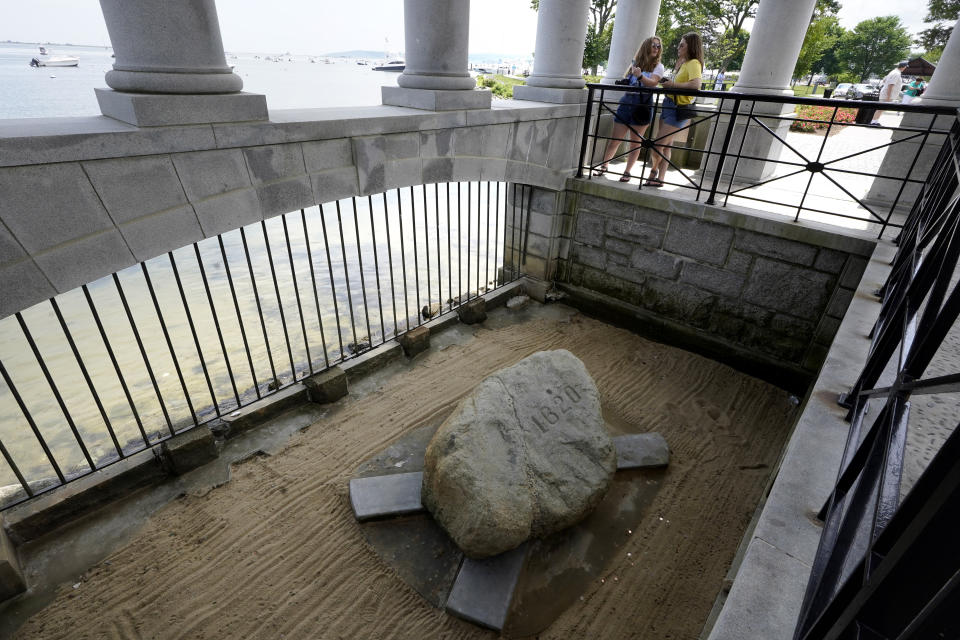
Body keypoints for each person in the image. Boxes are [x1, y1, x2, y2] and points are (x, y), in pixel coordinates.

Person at [593, 36, 666, 182]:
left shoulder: (659, 66)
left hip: (642, 106)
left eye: (658, 46)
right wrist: (626, 80)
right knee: (615, 140)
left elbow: (652, 83)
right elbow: (627, 80)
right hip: (626, 103)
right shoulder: (636, 63)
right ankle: (604, 166)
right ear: (646, 46)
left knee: (635, 143)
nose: (656, 49)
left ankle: (627, 172)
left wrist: (639, 77)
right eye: (653, 45)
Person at [645, 32, 704, 187]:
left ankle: (653, 172)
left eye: (682, 44)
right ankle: (660, 179)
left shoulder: (694, 63)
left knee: (657, 145)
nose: (679, 47)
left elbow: (695, 84)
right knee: (665, 146)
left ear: (690, 46)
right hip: (669, 104)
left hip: (677, 108)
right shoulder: (684, 63)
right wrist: (670, 83)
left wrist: (672, 85)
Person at [872, 60, 907, 126]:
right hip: (887, 94)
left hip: (886, 93)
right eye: (905, 67)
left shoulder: (893, 72)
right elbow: (891, 85)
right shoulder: (897, 73)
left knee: (881, 109)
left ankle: (875, 121)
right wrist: (888, 97)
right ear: (903, 67)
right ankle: (873, 122)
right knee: (880, 109)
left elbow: (884, 80)